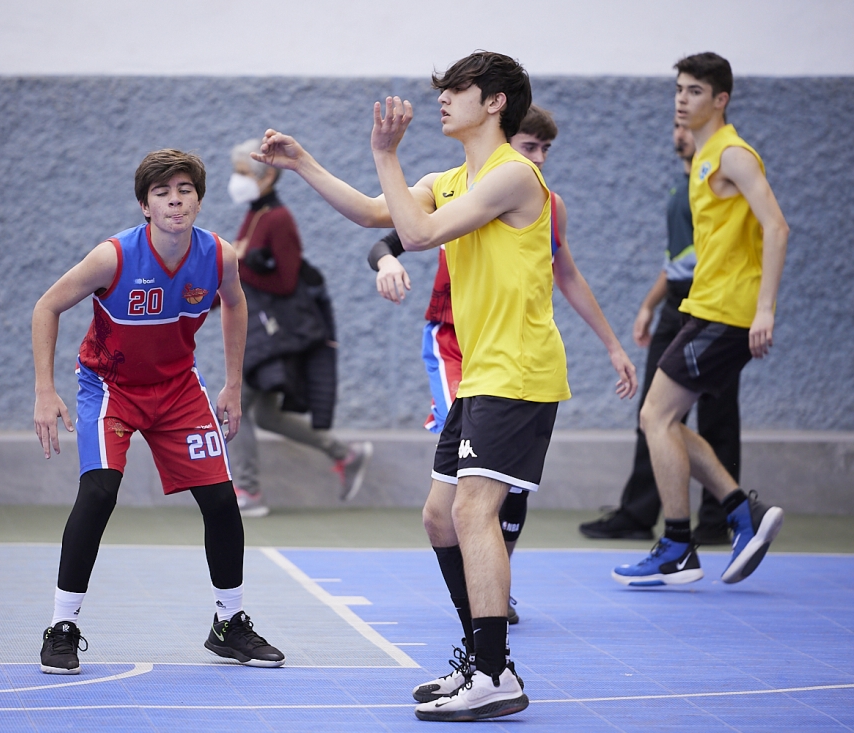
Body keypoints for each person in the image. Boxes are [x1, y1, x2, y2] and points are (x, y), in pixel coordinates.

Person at [254, 51, 635, 721]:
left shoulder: (514, 174)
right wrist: (304, 163)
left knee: (472, 511)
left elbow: (419, 233)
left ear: (495, 102)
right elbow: (376, 215)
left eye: (458, 88)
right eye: (443, 88)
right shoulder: (450, 179)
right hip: (482, 371)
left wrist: (385, 152)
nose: (443, 97)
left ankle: (493, 673)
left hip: (519, 370)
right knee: (440, 515)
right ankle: (485, 659)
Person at [368, 105, 637, 626]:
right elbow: (392, 228)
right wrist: (384, 256)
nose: (538, 158)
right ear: (505, 136)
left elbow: (567, 274)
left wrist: (613, 345)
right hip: (454, 343)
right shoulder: (455, 187)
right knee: (451, 508)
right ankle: (484, 615)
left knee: (481, 497)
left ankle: (492, 607)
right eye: (530, 146)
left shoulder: (532, 194)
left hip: (509, 360)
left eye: (544, 149)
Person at [31, 149, 284, 674]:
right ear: (145, 205)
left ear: (198, 200)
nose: (175, 200)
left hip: (177, 388)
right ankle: (62, 626)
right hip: (111, 386)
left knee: (221, 499)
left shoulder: (218, 255)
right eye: (162, 192)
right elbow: (46, 306)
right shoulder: (113, 257)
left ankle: (229, 624)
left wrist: (233, 384)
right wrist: (44, 390)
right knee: (99, 492)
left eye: (185, 190)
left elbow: (235, 303)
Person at [613, 53, 790, 587]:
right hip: (704, 305)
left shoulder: (733, 155)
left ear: (720, 100)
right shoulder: (704, 157)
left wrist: (765, 309)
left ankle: (678, 544)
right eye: (679, 90)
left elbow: (777, 228)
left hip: (729, 311)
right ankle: (739, 512)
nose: (682, 99)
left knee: (656, 416)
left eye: (694, 91)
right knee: (661, 417)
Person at [580, 120, 738, 544]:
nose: (680, 133)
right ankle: (638, 512)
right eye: (676, 126)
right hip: (676, 303)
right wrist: (649, 305)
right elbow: (676, 260)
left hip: (712, 304)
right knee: (653, 411)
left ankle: (717, 519)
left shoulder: (721, 182)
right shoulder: (681, 187)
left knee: (718, 414)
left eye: (688, 126)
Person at [227, 138, 373, 518]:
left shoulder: (278, 219)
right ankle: (346, 454)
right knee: (266, 415)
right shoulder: (255, 215)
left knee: (231, 406)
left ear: (266, 176)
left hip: (276, 335)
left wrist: (240, 264)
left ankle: (248, 490)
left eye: (242, 173)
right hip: (261, 334)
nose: (236, 181)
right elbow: (241, 276)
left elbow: (285, 282)